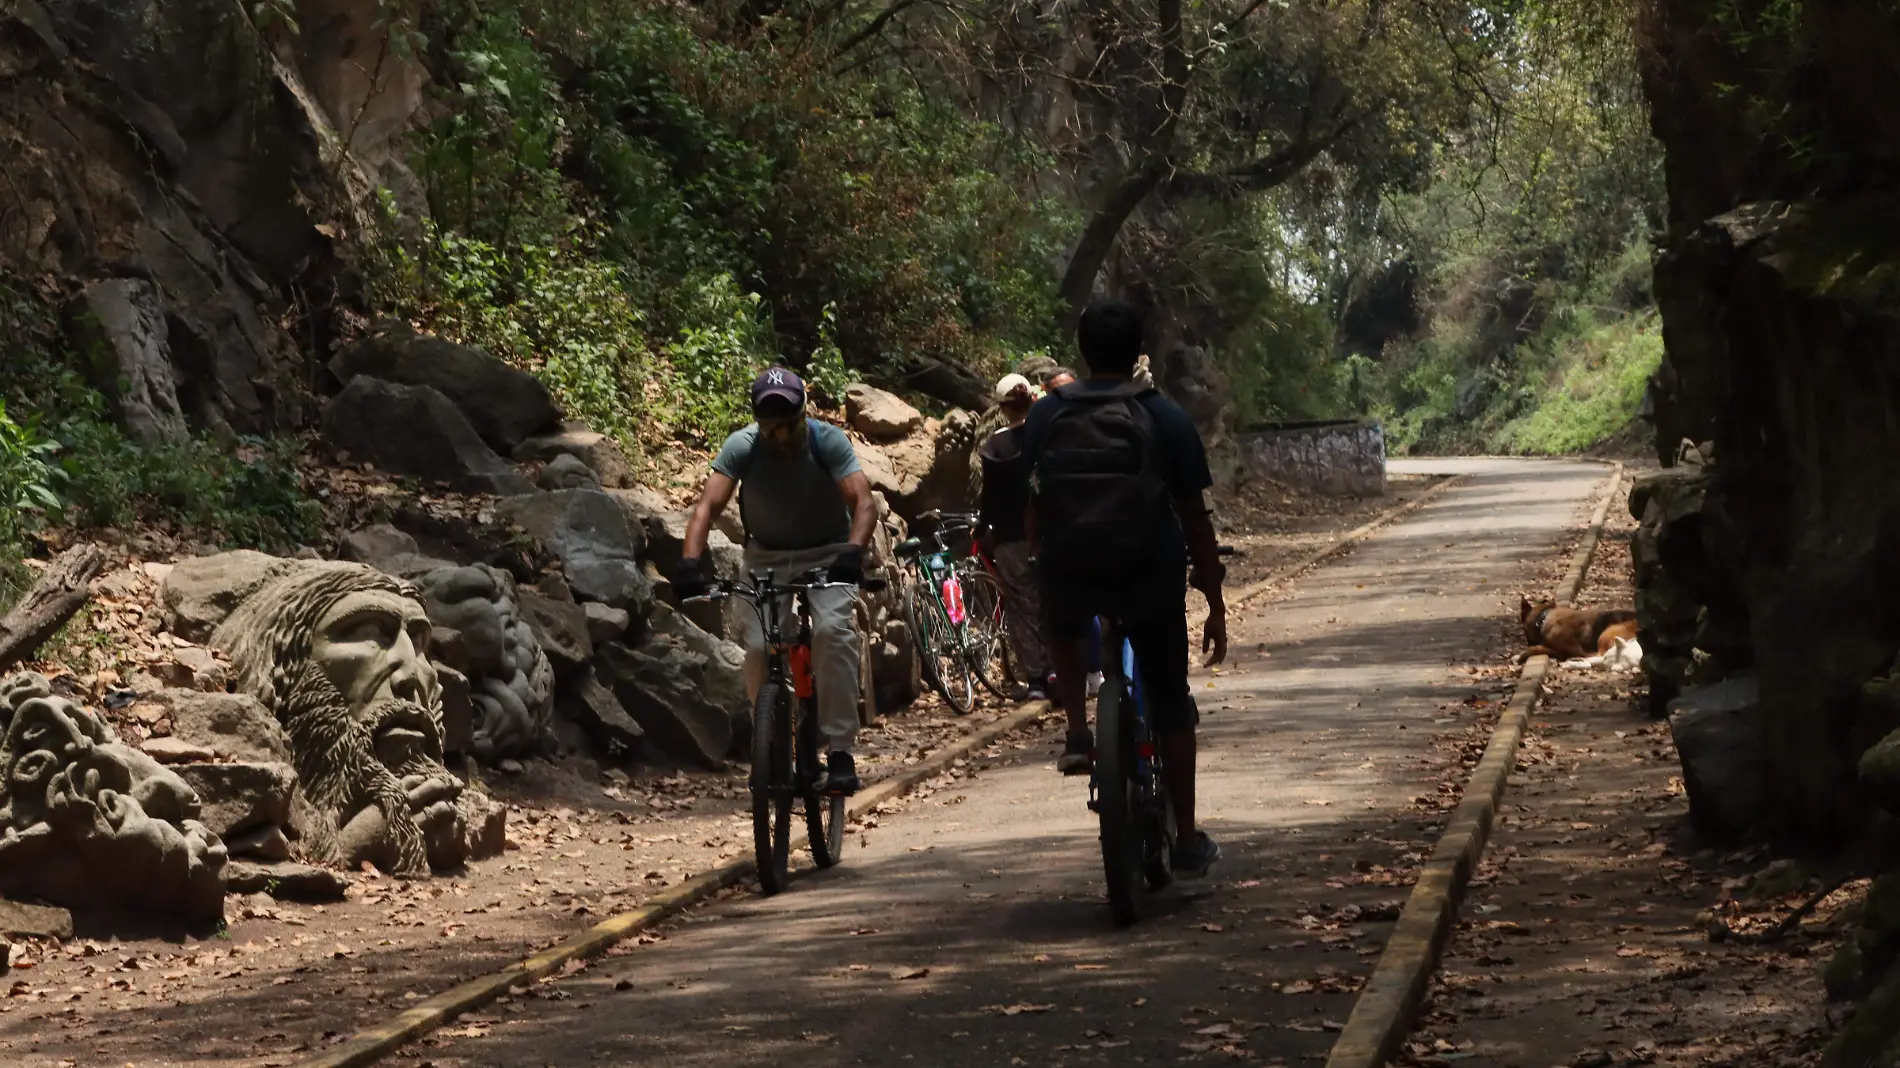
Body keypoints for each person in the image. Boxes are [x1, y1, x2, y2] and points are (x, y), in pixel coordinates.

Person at [1022, 300, 1229, 876]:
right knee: (1171, 705)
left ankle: (1078, 732)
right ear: (1138, 351)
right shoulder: (1164, 416)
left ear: (1083, 351)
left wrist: (1044, 560)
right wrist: (1213, 602)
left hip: (1071, 573)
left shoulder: (1045, 416)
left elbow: (1029, 502)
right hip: (1148, 576)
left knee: (1062, 617)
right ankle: (1185, 840)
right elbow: (1195, 518)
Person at [674, 368, 879, 795]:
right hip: (765, 555)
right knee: (755, 647)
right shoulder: (742, 446)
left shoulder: (828, 441)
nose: (781, 436)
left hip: (827, 552)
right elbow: (705, 508)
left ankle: (840, 751)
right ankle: (769, 741)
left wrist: (851, 554)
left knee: (831, 633)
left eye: (788, 424)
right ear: (757, 422)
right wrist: (689, 564)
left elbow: (863, 502)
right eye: (770, 426)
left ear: (804, 413)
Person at [976, 373, 1052, 700]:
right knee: (1052, 597)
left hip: (1010, 537)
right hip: (1052, 531)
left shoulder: (993, 446)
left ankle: (1036, 679)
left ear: (1003, 408)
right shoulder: (1047, 435)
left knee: (1021, 605)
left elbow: (990, 498)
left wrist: (982, 529)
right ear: (1032, 399)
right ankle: (1063, 669)